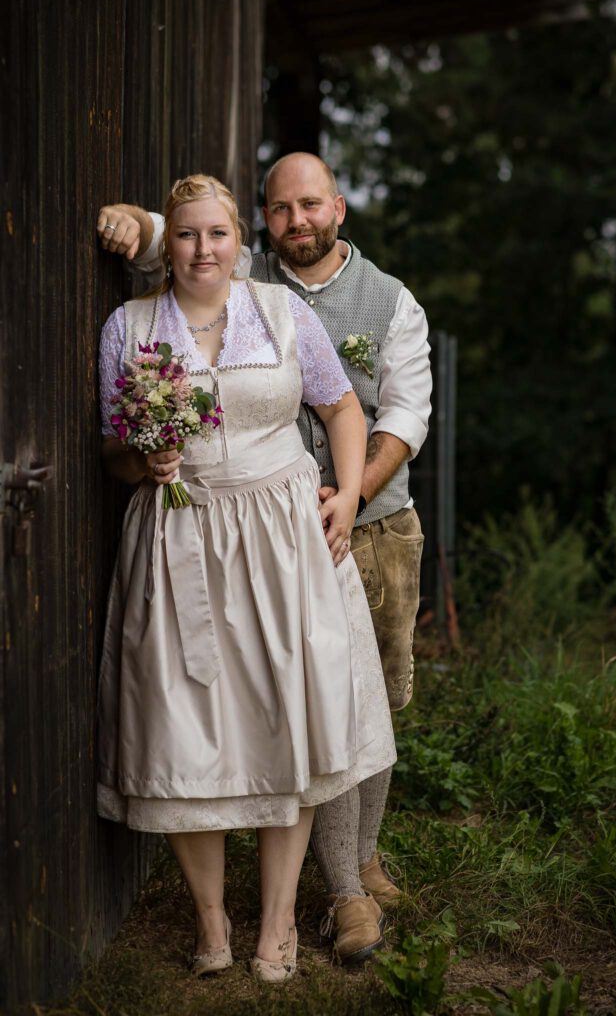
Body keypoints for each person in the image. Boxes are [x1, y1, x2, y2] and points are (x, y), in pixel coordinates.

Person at [97, 152, 431, 964]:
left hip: (291, 531)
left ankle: (309, 904)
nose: (203, 248)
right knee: (187, 720)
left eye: (217, 233)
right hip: (182, 534)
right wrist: (147, 460)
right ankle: (213, 921)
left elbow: (359, 407)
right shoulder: (131, 328)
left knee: (314, 710)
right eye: (186, 235)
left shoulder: (305, 308)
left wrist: (347, 495)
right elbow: (115, 452)